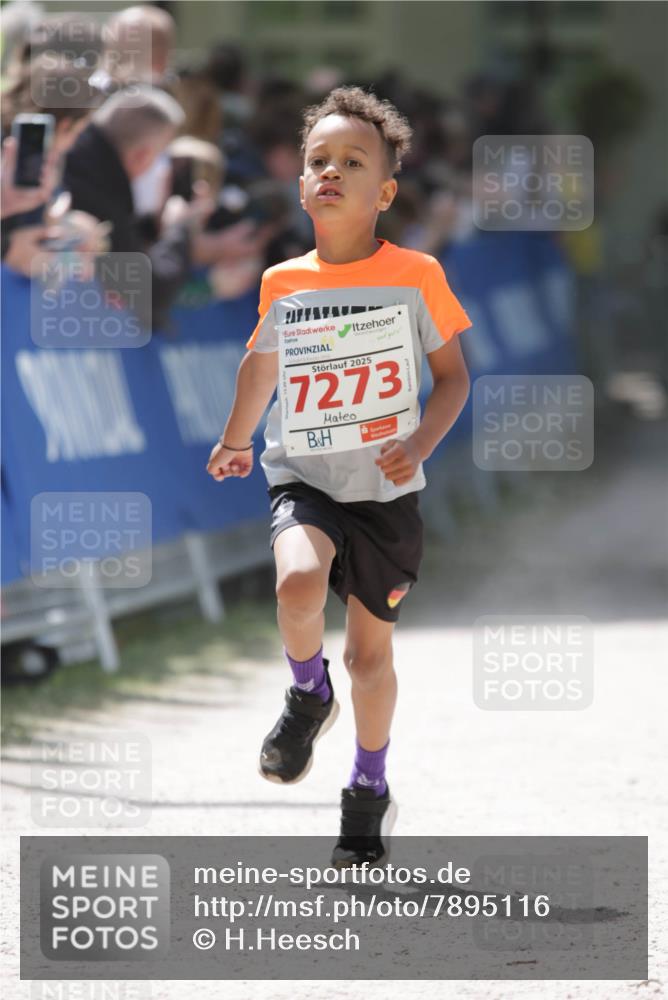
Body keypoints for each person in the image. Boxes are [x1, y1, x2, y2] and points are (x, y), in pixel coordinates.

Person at [206, 86, 471, 867]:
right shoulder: (283, 280)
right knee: (294, 586)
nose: (331, 171)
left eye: (352, 161)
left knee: (369, 659)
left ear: (385, 191)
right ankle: (304, 692)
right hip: (306, 477)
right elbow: (260, 367)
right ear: (301, 184)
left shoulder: (417, 273)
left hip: (386, 494)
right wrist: (236, 439)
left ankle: (367, 785)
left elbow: (454, 379)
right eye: (319, 159)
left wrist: (420, 443)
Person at [64, 86, 212, 331]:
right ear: (142, 155)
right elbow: (149, 293)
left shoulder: (82, 159)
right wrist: (180, 229)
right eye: (161, 154)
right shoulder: (101, 188)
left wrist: (156, 228)